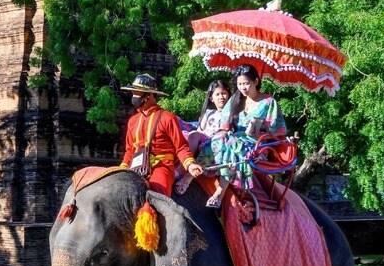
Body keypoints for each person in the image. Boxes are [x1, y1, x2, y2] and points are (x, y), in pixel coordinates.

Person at [207, 63, 285, 208]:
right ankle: (193, 173)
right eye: (240, 84)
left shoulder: (269, 102)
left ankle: (220, 192)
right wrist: (225, 133)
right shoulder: (236, 100)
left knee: (234, 147)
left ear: (256, 81)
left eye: (246, 83)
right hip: (234, 139)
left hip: (257, 145)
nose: (243, 87)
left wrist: (261, 128)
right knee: (218, 140)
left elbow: (278, 130)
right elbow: (224, 125)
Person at [119, 74, 204, 197]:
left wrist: (190, 165)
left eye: (137, 93)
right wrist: (123, 168)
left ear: (149, 95)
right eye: (133, 93)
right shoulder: (133, 120)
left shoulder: (167, 118)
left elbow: (180, 147)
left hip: (161, 166)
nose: (134, 97)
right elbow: (130, 150)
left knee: (157, 198)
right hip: (135, 168)